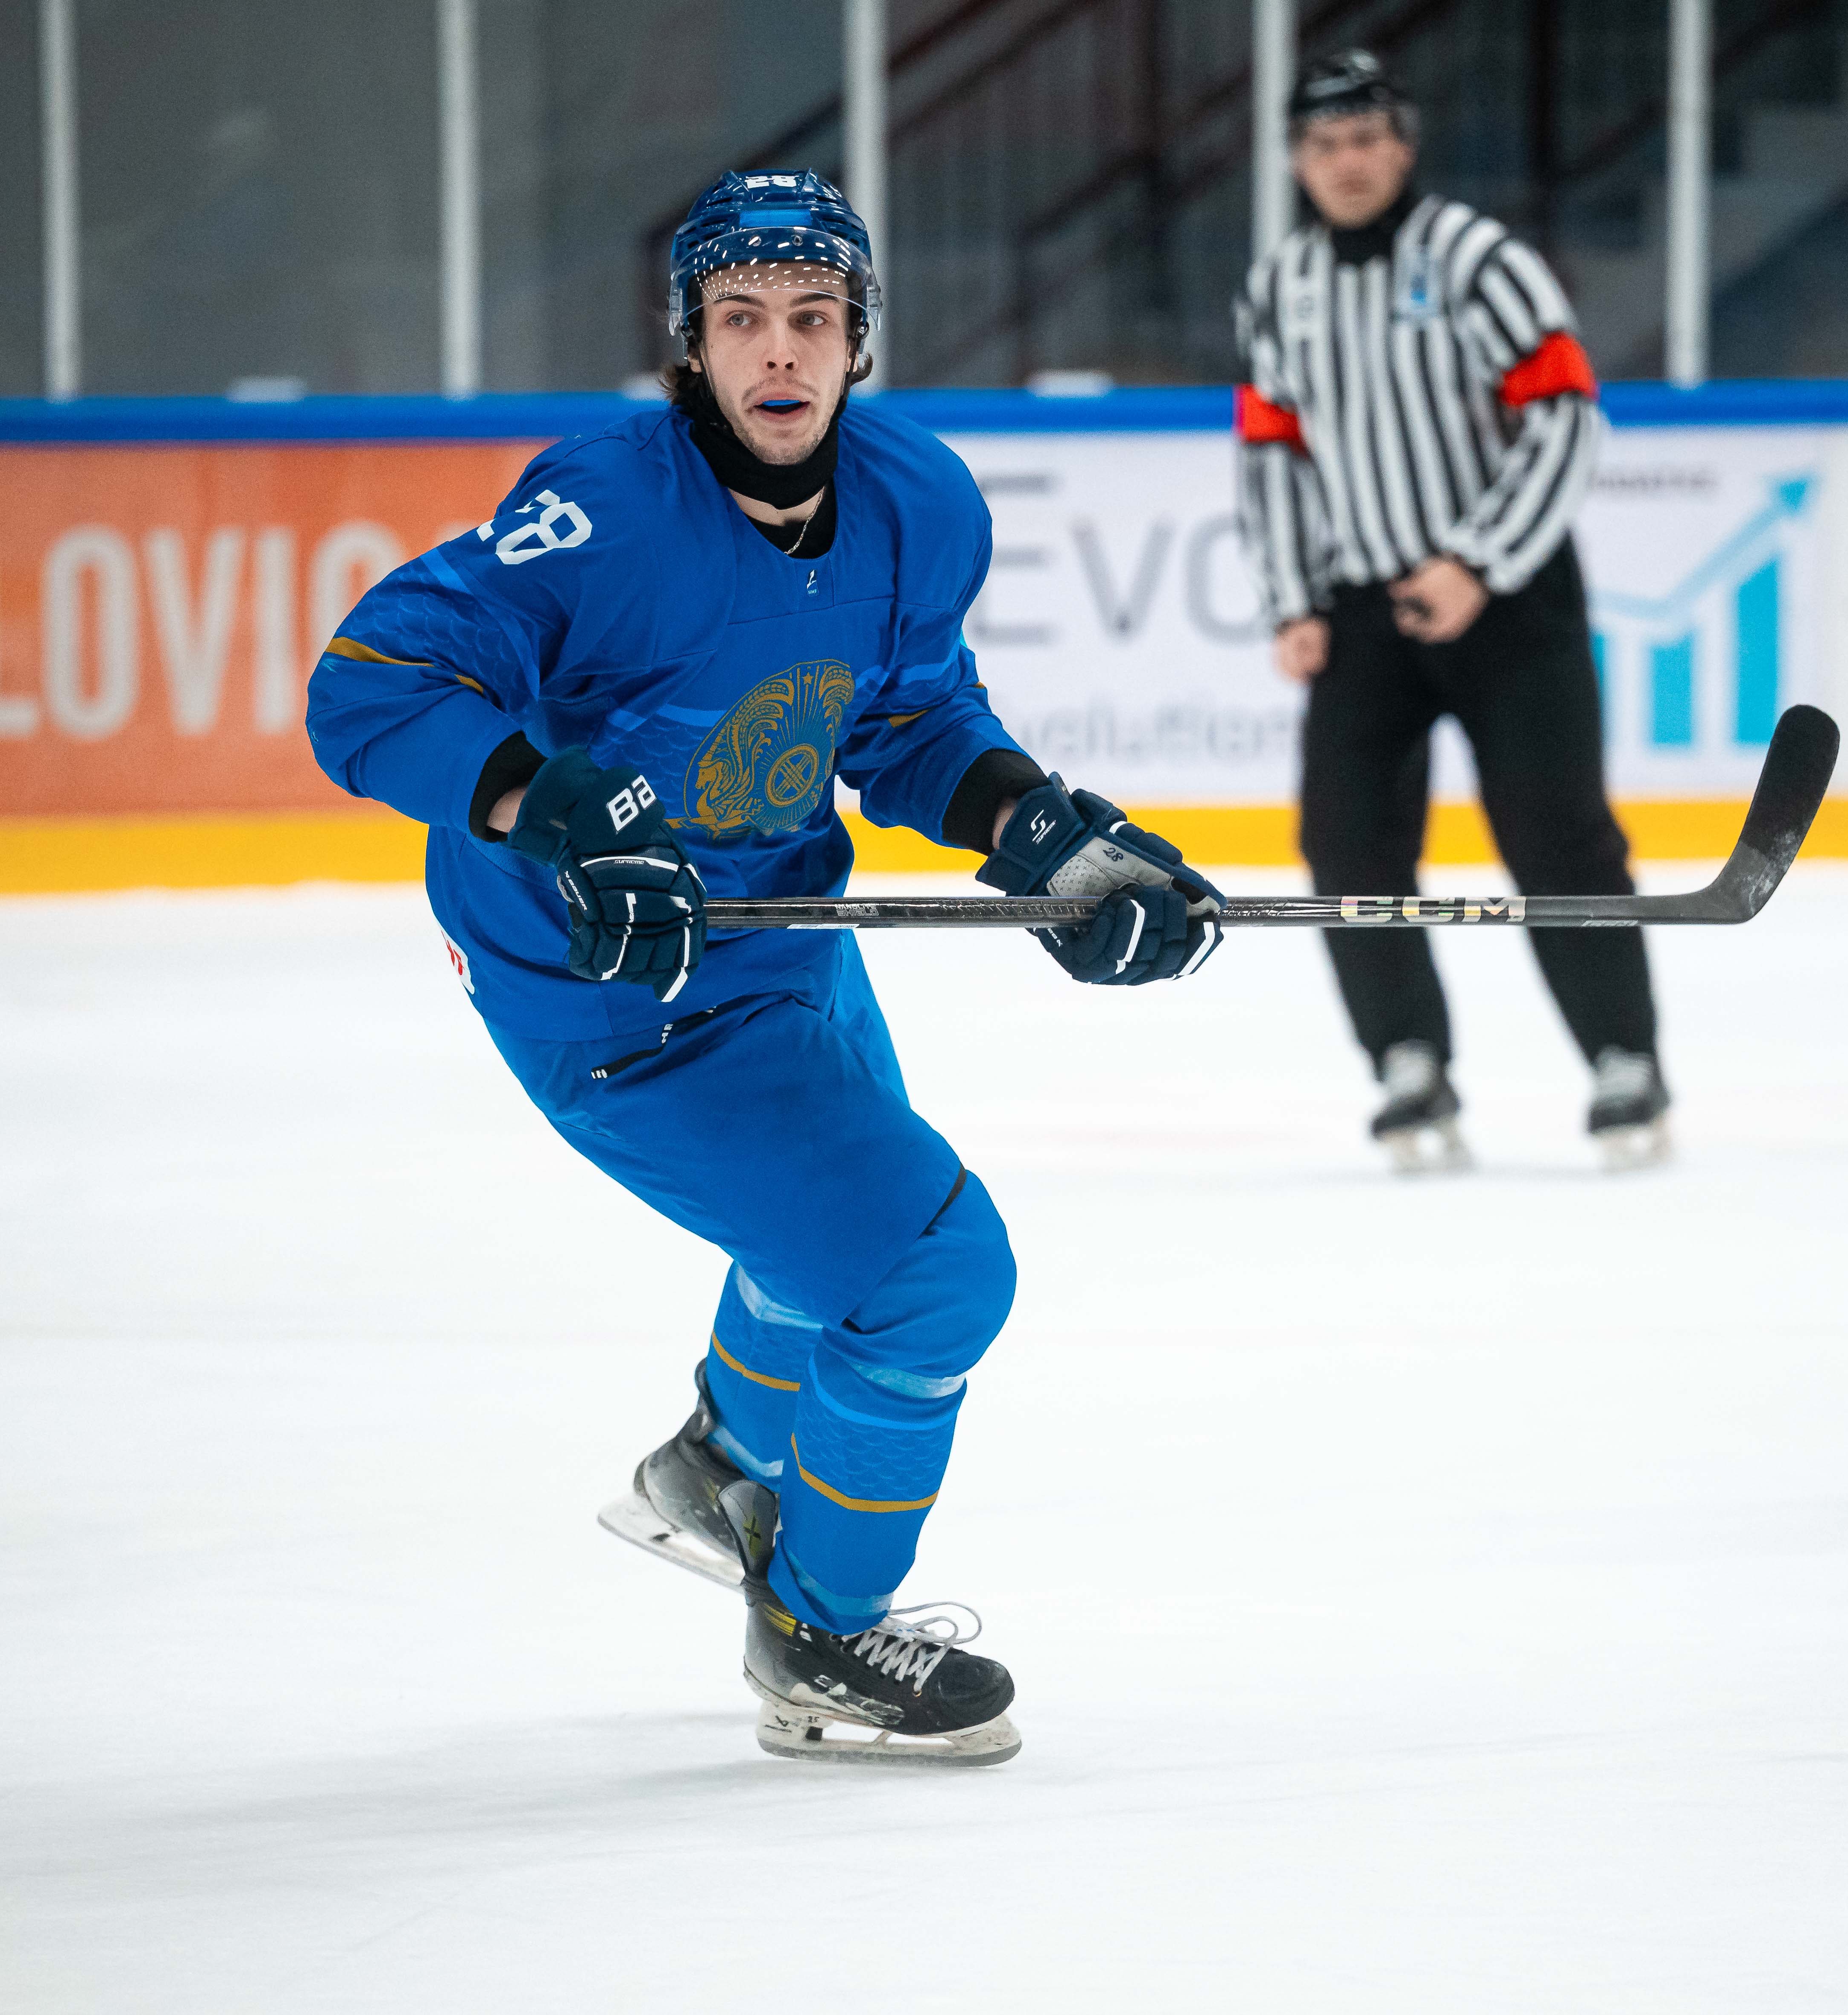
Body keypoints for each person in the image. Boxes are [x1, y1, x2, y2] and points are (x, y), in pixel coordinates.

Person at [306, 171, 1223, 1763]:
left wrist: (1043, 836)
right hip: (604, 982)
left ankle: (722, 1465)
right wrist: (551, 805)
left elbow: (912, 721)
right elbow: (370, 687)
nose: (779, 350)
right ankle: (818, 1631)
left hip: (782, 932)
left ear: (861, 338)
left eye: (813, 315)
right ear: (693, 344)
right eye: (741, 319)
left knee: (842, 1243)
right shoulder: (602, 511)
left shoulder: (918, 500)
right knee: (930, 1274)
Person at [1234, 50, 1665, 1174]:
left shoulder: (1480, 261)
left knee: (1557, 834)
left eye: (1366, 139)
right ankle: (1406, 1060)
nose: (1348, 163)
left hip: (1509, 600)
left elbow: (1568, 416)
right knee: (1347, 840)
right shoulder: (1281, 285)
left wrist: (1480, 561)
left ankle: (1624, 1057)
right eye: (1325, 145)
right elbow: (1273, 456)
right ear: (1296, 161)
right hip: (1362, 609)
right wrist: (1293, 601)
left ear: (1404, 146)